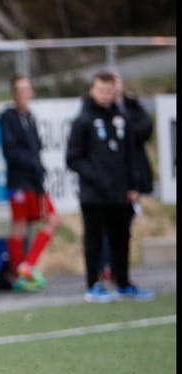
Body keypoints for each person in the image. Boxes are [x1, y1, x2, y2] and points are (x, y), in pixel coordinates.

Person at [66, 70, 154, 303]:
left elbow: (130, 156)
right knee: (94, 240)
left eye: (109, 91)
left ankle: (123, 282)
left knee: (121, 239)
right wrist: (96, 177)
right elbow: (73, 158)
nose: (105, 95)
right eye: (101, 90)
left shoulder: (121, 119)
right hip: (94, 195)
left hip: (120, 194)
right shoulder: (83, 121)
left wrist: (132, 185)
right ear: (92, 91)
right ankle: (93, 284)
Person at [0, 73, 61, 292]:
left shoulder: (31, 118)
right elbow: (11, 151)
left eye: (27, 89)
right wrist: (31, 163)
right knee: (20, 225)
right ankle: (19, 272)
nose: (24, 94)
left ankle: (27, 264)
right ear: (14, 94)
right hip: (19, 180)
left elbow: (35, 150)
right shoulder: (8, 117)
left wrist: (39, 171)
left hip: (35, 181)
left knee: (52, 220)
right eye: (19, 90)